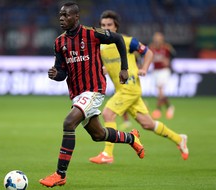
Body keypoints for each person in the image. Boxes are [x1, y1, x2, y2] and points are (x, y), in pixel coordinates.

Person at [39, 2, 145, 188]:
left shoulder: (92, 34)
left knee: (68, 123)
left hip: (94, 90)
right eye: (60, 15)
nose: (62, 18)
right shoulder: (59, 42)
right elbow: (62, 72)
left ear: (76, 17)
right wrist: (56, 75)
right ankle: (131, 138)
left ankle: (60, 174)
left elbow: (118, 38)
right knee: (98, 134)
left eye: (66, 15)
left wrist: (124, 68)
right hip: (77, 94)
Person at [89, 10, 188, 164]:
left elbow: (148, 52)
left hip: (131, 87)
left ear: (116, 26)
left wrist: (144, 69)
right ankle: (179, 139)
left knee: (108, 113)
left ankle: (107, 154)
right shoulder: (101, 47)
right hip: (122, 89)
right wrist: (104, 70)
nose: (106, 28)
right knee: (147, 123)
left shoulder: (127, 41)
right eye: (103, 25)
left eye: (109, 25)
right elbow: (110, 66)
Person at [150, 32, 176, 119]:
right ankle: (169, 107)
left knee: (160, 90)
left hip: (164, 71)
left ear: (162, 40)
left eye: (158, 39)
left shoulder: (166, 47)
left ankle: (158, 110)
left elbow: (174, 56)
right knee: (159, 92)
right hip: (155, 71)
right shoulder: (151, 47)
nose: (157, 41)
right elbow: (147, 56)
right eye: (155, 39)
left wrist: (169, 61)